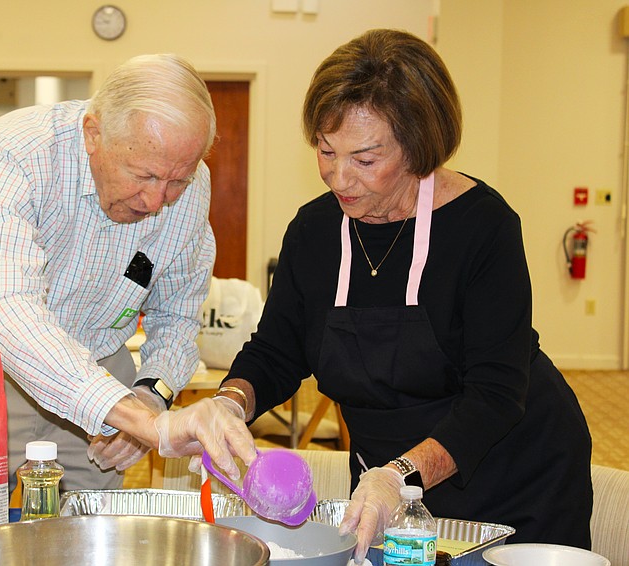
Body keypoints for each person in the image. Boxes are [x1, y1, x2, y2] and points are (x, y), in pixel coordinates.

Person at [214, 29, 593, 562]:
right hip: (386, 485)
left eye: (365, 159)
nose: (339, 177)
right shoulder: (314, 231)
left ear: (420, 148)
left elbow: (496, 393)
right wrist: (229, 404)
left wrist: (400, 474)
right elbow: (278, 350)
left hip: (514, 473)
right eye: (326, 151)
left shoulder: (484, 227)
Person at [0, 54, 257, 494]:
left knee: (92, 538)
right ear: (93, 133)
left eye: (178, 180)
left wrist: (147, 396)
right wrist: (139, 419)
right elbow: (8, 307)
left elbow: (176, 318)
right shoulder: (20, 149)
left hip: (100, 363)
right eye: (144, 175)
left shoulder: (191, 186)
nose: (158, 200)